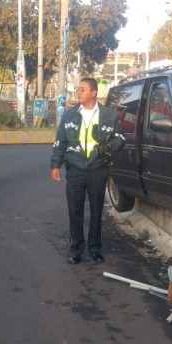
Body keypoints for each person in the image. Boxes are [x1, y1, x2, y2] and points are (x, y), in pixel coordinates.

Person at [50, 78, 125, 264]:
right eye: (78, 89)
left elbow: (121, 139)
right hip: (75, 169)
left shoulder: (109, 115)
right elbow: (61, 142)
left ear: (93, 93)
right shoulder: (69, 115)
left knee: (97, 210)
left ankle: (95, 249)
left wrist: (108, 146)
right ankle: (75, 251)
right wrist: (55, 165)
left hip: (98, 169)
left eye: (83, 89)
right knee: (74, 211)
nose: (79, 92)